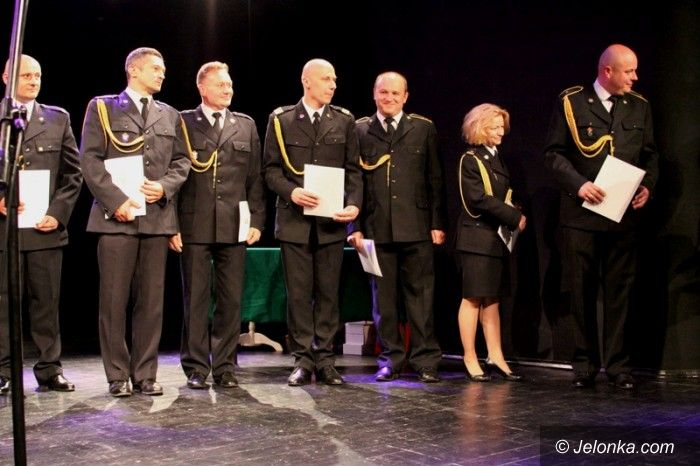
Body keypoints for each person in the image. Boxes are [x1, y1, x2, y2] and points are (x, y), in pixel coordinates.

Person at [543, 44, 659, 390]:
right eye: (629, 71)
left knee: (620, 292)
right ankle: (584, 364)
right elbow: (554, 154)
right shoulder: (573, 102)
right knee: (581, 291)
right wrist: (578, 185)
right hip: (582, 214)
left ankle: (619, 366)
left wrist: (648, 187)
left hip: (622, 216)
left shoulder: (639, 106)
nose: (635, 77)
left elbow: (650, 155)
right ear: (607, 71)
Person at [80, 47, 190, 397]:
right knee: (114, 300)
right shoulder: (103, 107)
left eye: (163, 69)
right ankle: (117, 374)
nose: (162, 74)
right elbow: (90, 160)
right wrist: (116, 202)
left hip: (155, 218)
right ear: (134, 70)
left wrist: (164, 186)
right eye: (155, 68)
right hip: (116, 219)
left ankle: (145, 374)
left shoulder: (170, 114)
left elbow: (182, 162)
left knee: (151, 302)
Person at [263, 58, 362, 386]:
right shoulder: (282, 120)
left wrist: (354, 204)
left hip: (331, 223)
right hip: (295, 222)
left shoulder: (344, 120)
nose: (333, 85)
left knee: (329, 294)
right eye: (326, 79)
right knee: (299, 295)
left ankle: (326, 359)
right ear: (307, 81)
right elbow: (271, 170)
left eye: (334, 79)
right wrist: (292, 192)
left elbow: (354, 170)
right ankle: (303, 359)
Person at [169, 61, 265, 390]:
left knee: (230, 300)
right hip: (194, 224)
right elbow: (173, 176)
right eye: (221, 85)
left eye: (230, 85)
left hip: (234, 224)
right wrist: (172, 225)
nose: (228, 90)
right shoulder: (183, 122)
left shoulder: (245, 125)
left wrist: (257, 220)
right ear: (202, 87)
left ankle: (224, 366)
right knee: (195, 299)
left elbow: (255, 178)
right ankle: (196, 367)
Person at [348, 71, 446, 383]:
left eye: (395, 93)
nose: (389, 98)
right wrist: (354, 226)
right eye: (383, 92)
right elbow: (353, 180)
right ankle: (390, 359)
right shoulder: (360, 129)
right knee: (384, 302)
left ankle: (425, 360)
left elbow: (435, 179)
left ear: (405, 97)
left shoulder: (423, 128)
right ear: (374, 94)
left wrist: (437, 223)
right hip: (376, 229)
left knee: (421, 299)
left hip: (417, 227)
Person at [0, 54, 82, 394]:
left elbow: (73, 174)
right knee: (4, 303)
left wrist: (58, 213)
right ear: (7, 78)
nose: (34, 81)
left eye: (37, 76)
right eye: (26, 76)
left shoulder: (57, 118)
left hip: (43, 228)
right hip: (4, 230)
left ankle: (49, 369)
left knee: (46, 303)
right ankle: (4, 370)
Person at [456, 103, 525, 382]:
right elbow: (477, 199)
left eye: (501, 127)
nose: (500, 132)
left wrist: (513, 210)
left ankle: (495, 355)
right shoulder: (471, 159)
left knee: (492, 299)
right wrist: (514, 216)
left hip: (494, 239)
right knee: (473, 297)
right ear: (480, 128)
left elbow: (500, 196)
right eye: (494, 127)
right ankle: (470, 356)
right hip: (476, 238)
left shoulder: (496, 158)